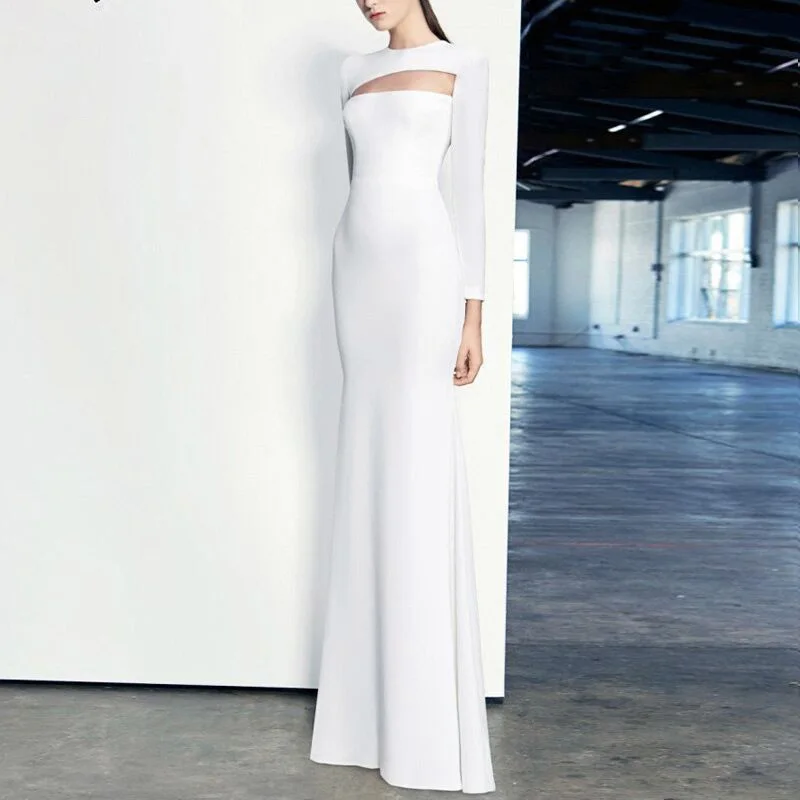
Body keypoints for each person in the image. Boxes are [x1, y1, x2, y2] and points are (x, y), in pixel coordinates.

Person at [309, 0, 494, 793]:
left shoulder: (464, 66)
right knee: (367, 466)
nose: (366, 0)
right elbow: (360, 184)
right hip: (356, 271)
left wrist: (472, 314)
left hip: (424, 272)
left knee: (416, 466)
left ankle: (423, 719)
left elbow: (469, 194)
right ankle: (360, 717)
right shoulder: (351, 70)